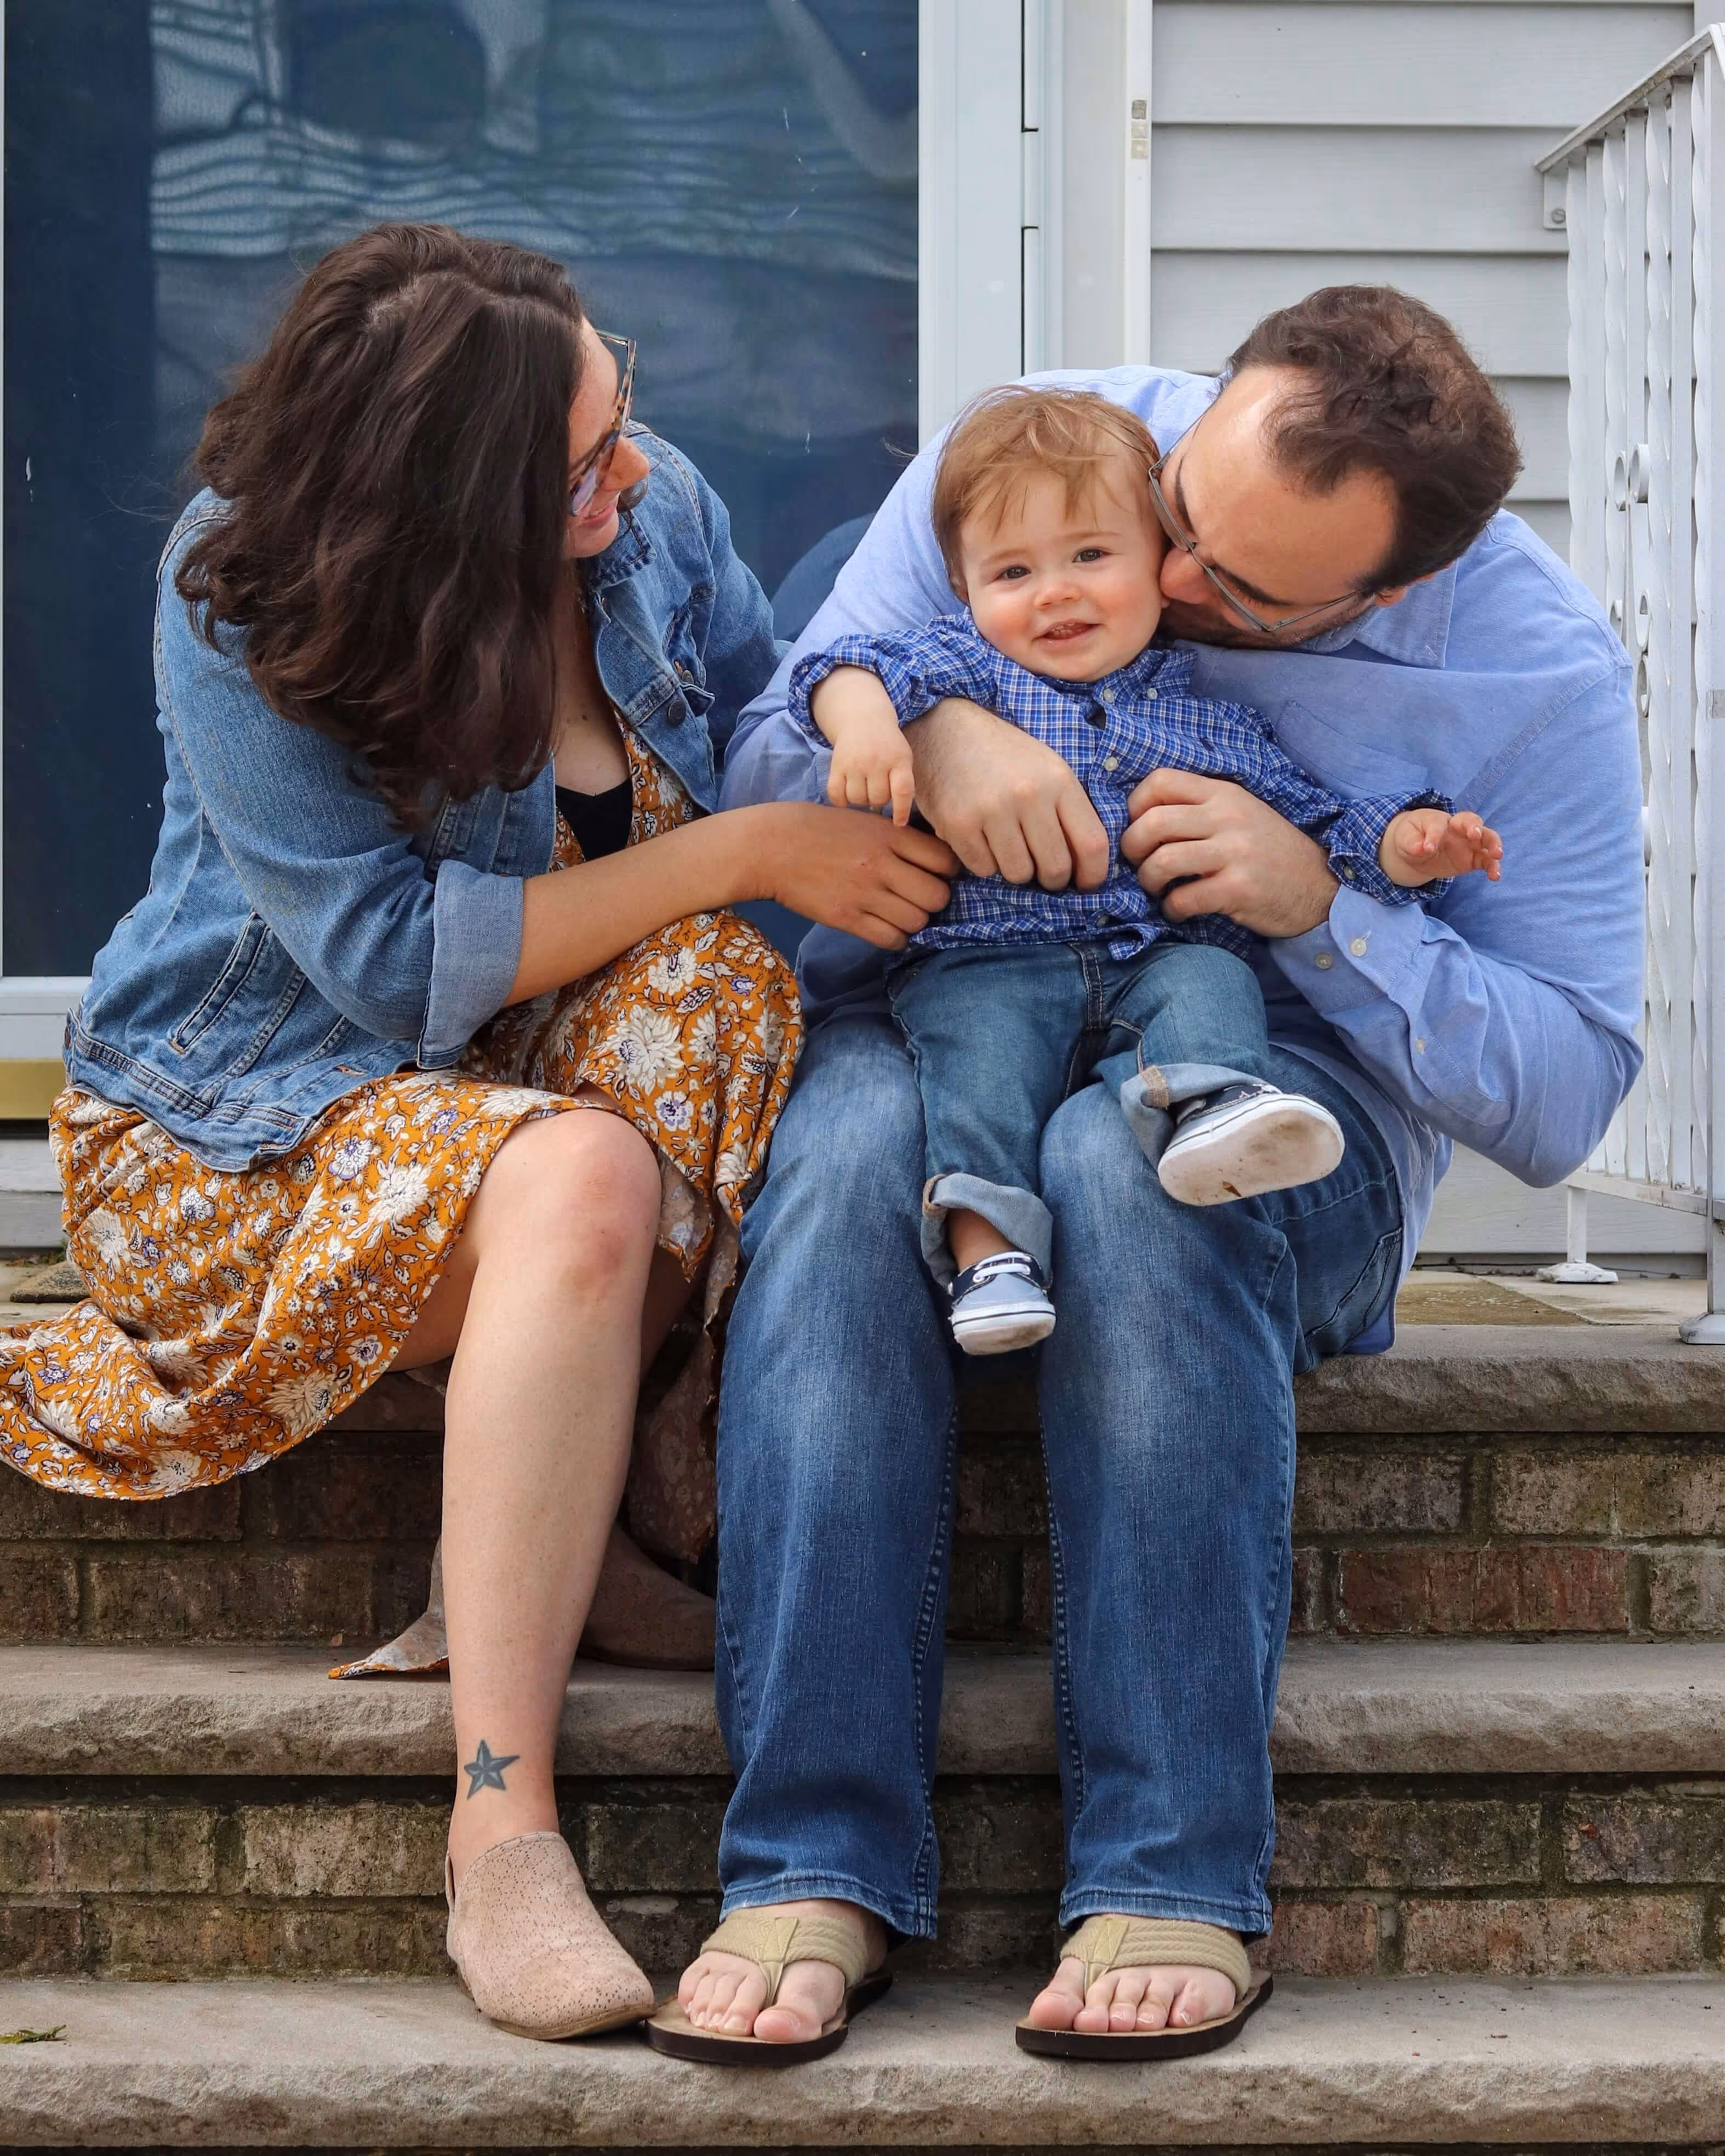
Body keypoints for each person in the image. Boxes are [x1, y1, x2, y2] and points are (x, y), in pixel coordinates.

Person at [658, 287, 1643, 2063]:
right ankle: (809, 1859)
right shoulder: (1047, 448)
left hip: (1283, 1107)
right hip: (958, 1009)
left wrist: (1322, 908)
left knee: (1135, 1168)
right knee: (845, 1143)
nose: (1169, 584)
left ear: (1383, 590)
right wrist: (938, 734)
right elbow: (763, 772)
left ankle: (1173, 1870)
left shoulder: (1536, 673)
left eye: (1242, 593)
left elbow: (1567, 1091)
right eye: (1176, 513)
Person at [0, 223, 952, 2043]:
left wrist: (872, 713)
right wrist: (744, 851)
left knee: (728, 1000)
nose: (629, 476)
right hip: (238, 1125)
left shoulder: (650, 505)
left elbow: (757, 704)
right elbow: (384, 967)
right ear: (433, 493)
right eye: (576, 465)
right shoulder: (249, 582)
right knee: (599, 1138)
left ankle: (537, 1511)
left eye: (620, 421)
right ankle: (498, 1824)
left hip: (514, 1104)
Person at [792, 386, 1502, 1355]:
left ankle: (1212, 1105)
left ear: (1160, 568)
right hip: (986, 962)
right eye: (1012, 571)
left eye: (1091, 556)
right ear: (964, 591)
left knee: (1210, 980)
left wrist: (1405, 843)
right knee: (976, 1073)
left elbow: (1314, 820)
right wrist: (876, 724)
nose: (1056, 591)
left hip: (1148, 958)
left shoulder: (1205, 718)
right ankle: (990, 1250)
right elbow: (841, 668)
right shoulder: (964, 669)